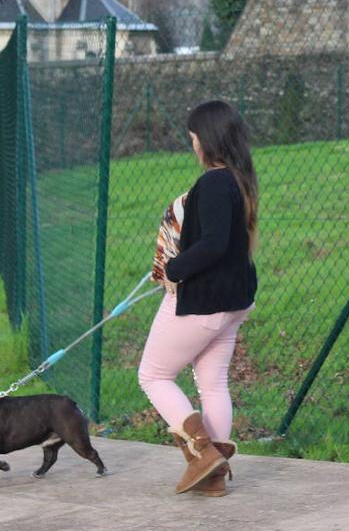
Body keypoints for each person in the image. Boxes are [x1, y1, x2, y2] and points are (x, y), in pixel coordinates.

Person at [138, 100, 258, 497]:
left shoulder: (211, 183)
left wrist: (173, 270)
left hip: (204, 302)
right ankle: (215, 476)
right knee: (213, 385)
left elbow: (212, 244)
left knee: (153, 376)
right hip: (234, 302)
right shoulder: (240, 180)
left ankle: (203, 452)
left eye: (192, 138)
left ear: (206, 139)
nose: (192, 146)